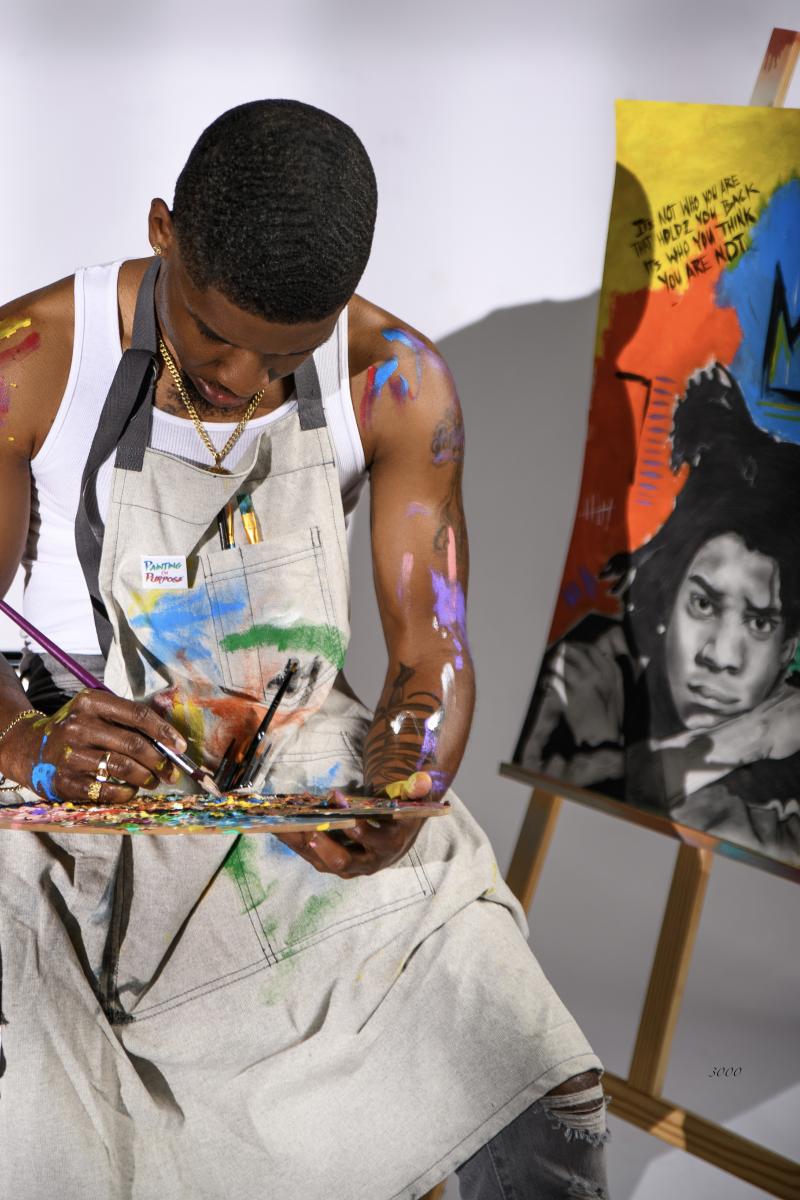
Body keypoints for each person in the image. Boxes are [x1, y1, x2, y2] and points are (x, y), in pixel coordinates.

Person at [0, 101, 608, 1200]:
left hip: (288, 757)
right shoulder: (33, 361)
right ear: (162, 232)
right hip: (69, 761)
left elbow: (429, 648)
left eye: (288, 351)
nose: (242, 377)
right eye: (212, 334)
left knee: (524, 1075)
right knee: (44, 1125)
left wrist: (405, 775)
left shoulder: (397, 381)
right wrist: (21, 740)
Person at [517, 363, 800, 866]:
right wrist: (747, 740)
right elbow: (568, 775)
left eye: (760, 623)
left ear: (789, 649)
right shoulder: (594, 663)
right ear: (669, 598)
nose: (720, 655)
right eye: (703, 604)